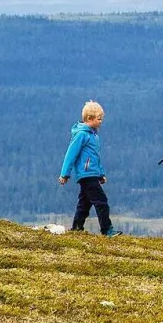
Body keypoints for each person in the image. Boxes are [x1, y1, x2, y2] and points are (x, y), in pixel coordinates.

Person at [59, 100, 121, 236]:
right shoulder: (81, 135)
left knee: (84, 203)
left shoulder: (94, 136)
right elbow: (71, 154)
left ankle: (76, 228)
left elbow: (95, 158)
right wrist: (65, 173)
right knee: (101, 202)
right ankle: (107, 230)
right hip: (86, 174)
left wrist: (101, 173)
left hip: (92, 174)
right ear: (89, 119)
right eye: (99, 119)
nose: (101, 122)